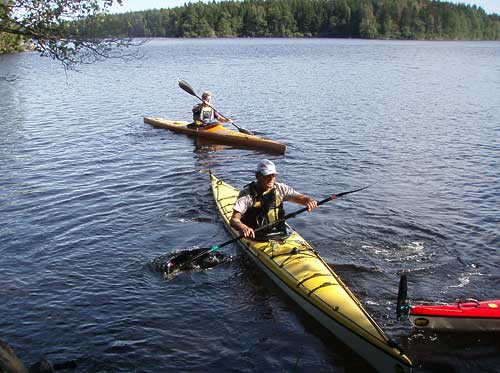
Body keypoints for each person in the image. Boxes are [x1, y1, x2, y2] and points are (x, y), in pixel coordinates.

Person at [230, 159, 317, 240]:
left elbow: (300, 198)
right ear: (257, 176)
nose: (271, 179)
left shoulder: (280, 188)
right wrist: (242, 227)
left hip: (280, 232)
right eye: (267, 176)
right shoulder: (247, 194)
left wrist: (308, 201)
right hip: (255, 235)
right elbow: (234, 220)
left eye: (273, 175)